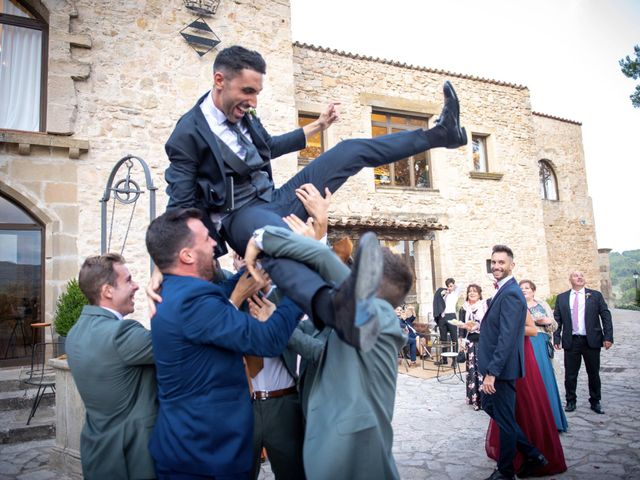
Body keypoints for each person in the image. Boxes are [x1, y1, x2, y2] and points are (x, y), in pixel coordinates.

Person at [165, 45, 467, 349]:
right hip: (238, 216)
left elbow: (267, 146)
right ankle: (340, 311)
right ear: (219, 80)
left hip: (275, 198)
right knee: (279, 239)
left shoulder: (243, 113)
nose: (253, 101)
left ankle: (442, 134)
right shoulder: (188, 134)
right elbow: (177, 204)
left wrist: (319, 126)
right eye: (247, 91)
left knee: (350, 150)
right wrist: (163, 269)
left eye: (257, 92)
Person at [144, 208, 304, 479]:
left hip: (196, 450)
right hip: (205, 457)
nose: (215, 244)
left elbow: (228, 289)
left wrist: (261, 259)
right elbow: (269, 340)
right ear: (187, 255)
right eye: (206, 239)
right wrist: (302, 280)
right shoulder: (193, 302)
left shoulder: (181, 291)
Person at [247, 225, 412, 480]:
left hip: (355, 463)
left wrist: (264, 236)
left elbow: (325, 261)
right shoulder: (356, 322)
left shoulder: (378, 319)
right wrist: (273, 318)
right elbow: (310, 326)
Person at [66, 253, 157, 480]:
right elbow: (180, 346)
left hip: (98, 454)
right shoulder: (121, 334)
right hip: (133, 459)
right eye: (128, 280)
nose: (136, 286)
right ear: (107, 291)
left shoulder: (75, 332)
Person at [478, 245, 547, 480]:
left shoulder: (511, 293)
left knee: (505, 420)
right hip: (494, 367)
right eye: (494, 262)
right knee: (488, 405)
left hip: (502, 370)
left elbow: (507, 338)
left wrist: (492, 373)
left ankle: (506, 472)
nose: (497, 266)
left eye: (502, 263)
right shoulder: (503, 289)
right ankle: (531, 453)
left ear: (512, 265)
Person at [485, 312, 567, 476]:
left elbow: (532, 330)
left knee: (517, 408)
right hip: (503, 359)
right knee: (495, 408)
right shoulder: (499, 297)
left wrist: (507, 329)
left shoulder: (514, 298)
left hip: (517, 360)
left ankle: (526, 457)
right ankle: (531, 453)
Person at [553, 271, 613, 415]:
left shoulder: (595, 295)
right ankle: (571, 401)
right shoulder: (562, 298)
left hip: (591, 340)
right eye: (575, 275)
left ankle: (595, 401)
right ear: (570, 279)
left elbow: (605, 315)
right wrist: (557, 338)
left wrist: (608, 337)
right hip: (571, 340)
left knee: (593, 373)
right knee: (570, 374)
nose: (579, 277)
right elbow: (557, 320)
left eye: (581, 275)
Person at [519, 280, 567, 432]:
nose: (524, 290)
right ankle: (533, 423)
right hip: (526, 342)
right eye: (521, 288)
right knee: (531, 380)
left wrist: (547, 321)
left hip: (541, 341)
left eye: (527, 288)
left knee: (545, 377)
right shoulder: (518, 305)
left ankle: (553, 420)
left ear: (533, 290)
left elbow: (554, 325)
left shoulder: (542, 304)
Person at [457, 284, 487, 410]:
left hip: (483, 341)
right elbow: (461, 327)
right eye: (470, 291)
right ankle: (474, 399)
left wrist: (478, 326)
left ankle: (485, 399)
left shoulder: (484, 306)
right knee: (472, 371)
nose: (472, 293)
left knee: (482, 370)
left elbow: (488, 323)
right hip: (470, 342)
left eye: (475, 291)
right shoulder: (463, 308)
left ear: (479, 294)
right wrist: (461, 343)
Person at [434, 278, 463, 364]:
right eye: (448, 286)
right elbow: (438, 302)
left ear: (453, 285)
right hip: (442, 317)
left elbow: (460, 285)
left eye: (451, 286)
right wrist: (445, 292)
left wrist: (453, 287)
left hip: (451, 316)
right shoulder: (444, 294)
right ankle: (444, 359)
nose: (449, 287)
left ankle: (454, 360)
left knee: (454, 338)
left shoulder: (455, 293)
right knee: (443, 339)